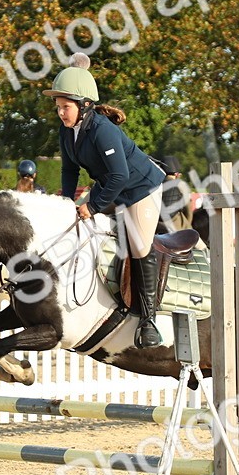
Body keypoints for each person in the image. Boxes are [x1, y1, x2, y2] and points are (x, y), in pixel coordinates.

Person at [44, 53, 165, 348]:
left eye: (66, 107)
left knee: (139, 245)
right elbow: (69, 169)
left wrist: (93, 206)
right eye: (59, 107)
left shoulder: (103, 130)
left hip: (140, 189)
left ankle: (149, 321)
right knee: (72, 222)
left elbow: (120, 177)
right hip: (111, 186)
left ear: (84, 105)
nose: (61, 113)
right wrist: (67, 201)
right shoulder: (67, 131)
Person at [158, 155, 192, 232]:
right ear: (176, 174)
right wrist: (187, 226)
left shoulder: (155, 183)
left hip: (156, 227)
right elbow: (188, 211)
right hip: (175, 226)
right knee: (200, 244)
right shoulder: (181, 185)